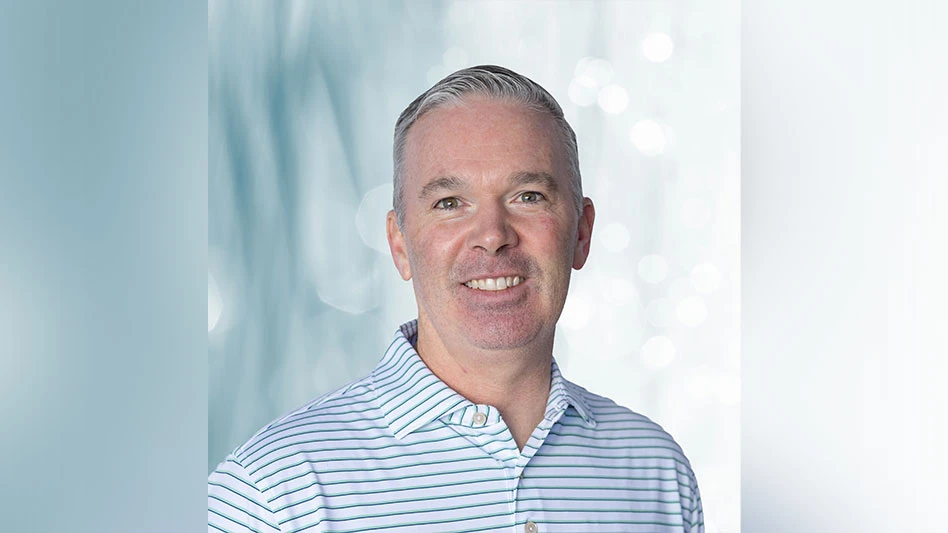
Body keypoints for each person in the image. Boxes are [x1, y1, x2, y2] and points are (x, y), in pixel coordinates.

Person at [208, 65, 703, 533]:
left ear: (581, 233)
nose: (493, 235)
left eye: (528, 196)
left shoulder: (657, 471)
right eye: (449, 203)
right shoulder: (270, 495)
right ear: (400, 246)